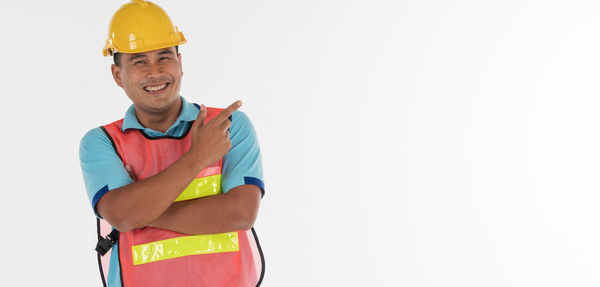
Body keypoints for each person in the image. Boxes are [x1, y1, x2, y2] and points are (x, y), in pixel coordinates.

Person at [79, 1, 265, 286]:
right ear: (118, 75)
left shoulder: (227, 125)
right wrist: (199, 156)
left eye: (164, 57)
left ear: (180, 63)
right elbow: (123, 215)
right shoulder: (103, 143)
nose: (155, 72)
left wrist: (141, 211)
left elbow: (241, 214)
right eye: (139, 61)